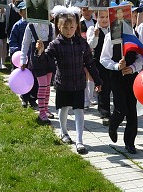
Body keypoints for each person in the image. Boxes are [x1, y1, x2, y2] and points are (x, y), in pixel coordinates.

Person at [38, 9, 103, 154]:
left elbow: (90, 63)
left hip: (79, 83)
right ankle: (64, 131)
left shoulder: (81, 43)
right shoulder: (55, 44)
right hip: (63, 83)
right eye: (65, 28)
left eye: (72, 27)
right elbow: (45, 61)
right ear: (59, 28)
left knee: (79, 110)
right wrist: (40, 52)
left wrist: (97, 80)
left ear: (76, 27)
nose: (69, 30)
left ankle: (79, 140)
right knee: (64, 108)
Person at [99, 7, 143, 154]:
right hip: (116, 76)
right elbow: (104, 58)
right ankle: (113, 124)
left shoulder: (135, 34)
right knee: (121, 108)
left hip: (131, 77)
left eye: (130, 16)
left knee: (132, 110)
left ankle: (130, 142)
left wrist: (132, 67)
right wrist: (116, 66)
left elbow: (141, 57)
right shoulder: (110, 36)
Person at [20, 13, 55, 125]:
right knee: (43, 85)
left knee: (48, 85)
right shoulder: (30, 26)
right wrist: (23, 59)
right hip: (36, 58)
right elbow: (25, 44)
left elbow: (54, 42)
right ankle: (42, 113)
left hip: (48, 57)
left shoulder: (51, 26)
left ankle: (45, 108)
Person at [87, 10, 111, 125]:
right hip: (99, 62)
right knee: (103, 86)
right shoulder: (92, 29)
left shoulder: (112, 29)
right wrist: (96, 36)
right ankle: (105, 113)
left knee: (112, 86)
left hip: (111, 61)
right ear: (96, 17)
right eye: (102, 17)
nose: (105, 19)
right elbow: (91, 45)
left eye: (107, 17)